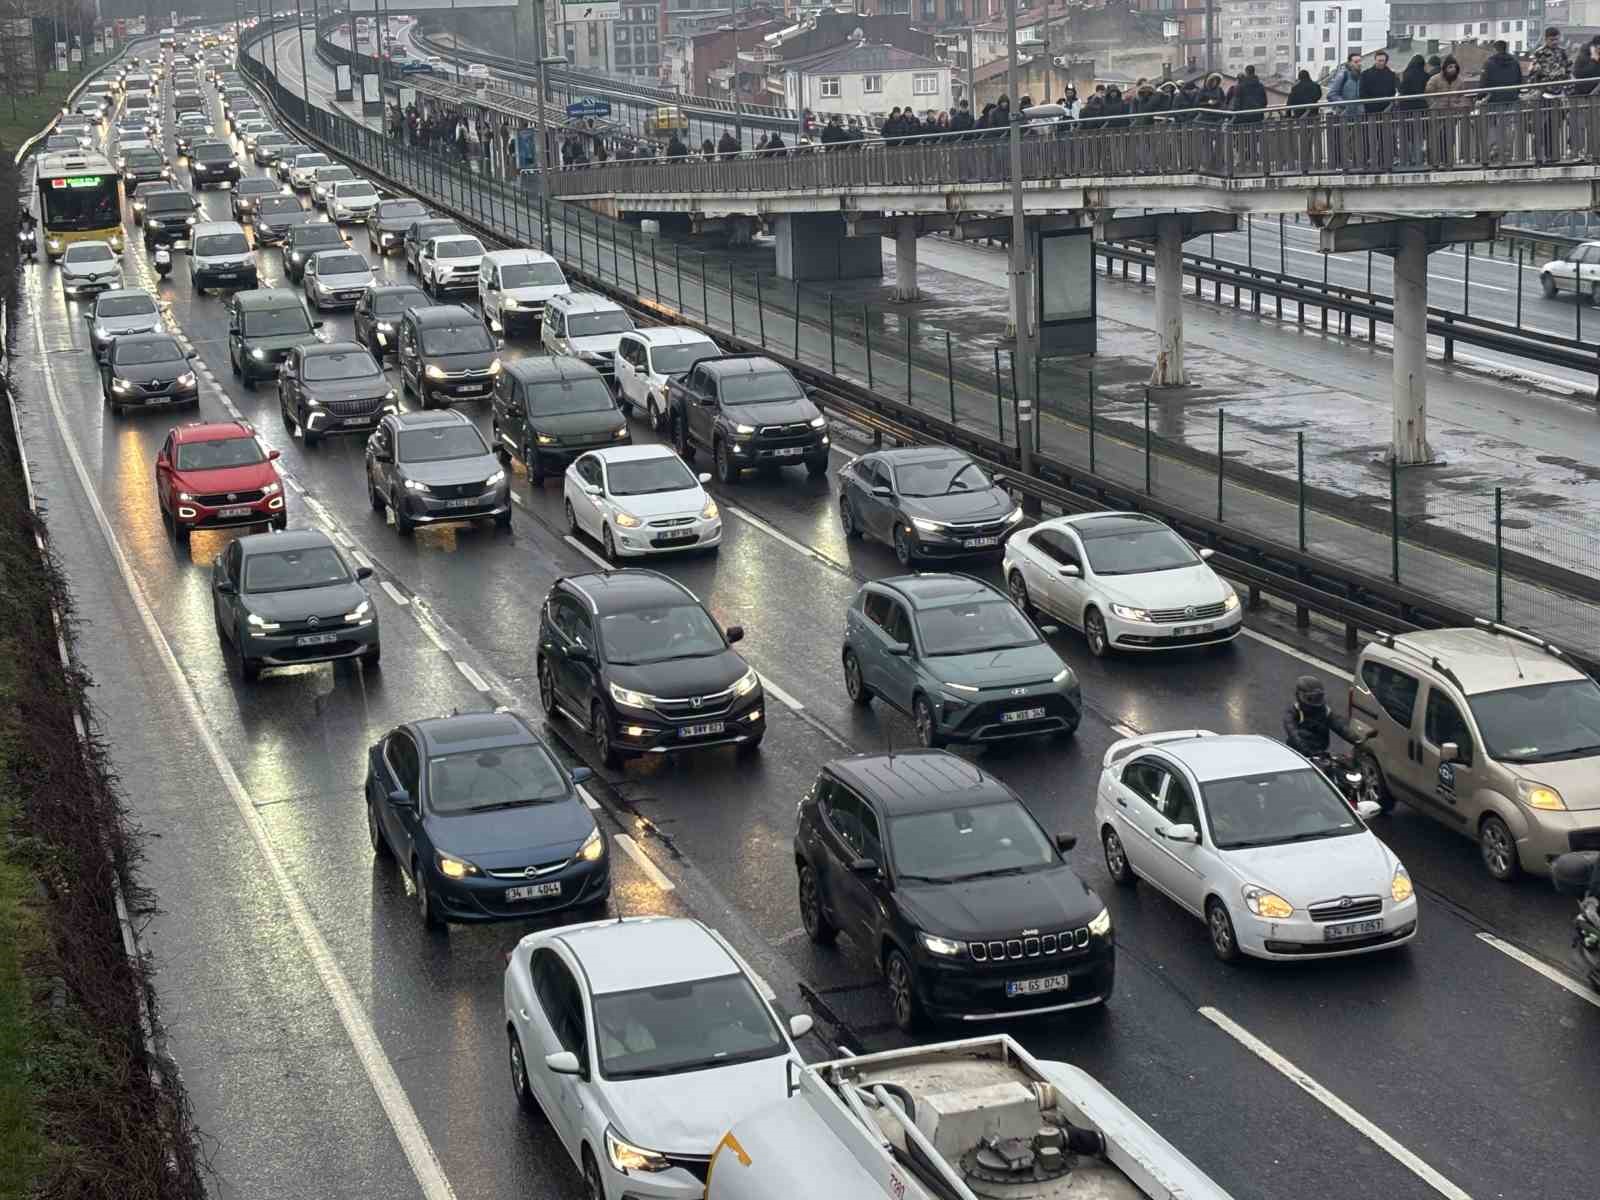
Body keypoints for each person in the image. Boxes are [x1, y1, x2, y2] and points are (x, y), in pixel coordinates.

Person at [1282, 676, 1359, 758]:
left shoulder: (1325, 711)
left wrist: (1358, 741)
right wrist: (1306, 750)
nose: (1315, 701)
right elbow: (1293, 733)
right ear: (1299, 695)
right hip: (1297, 754)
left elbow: (1340, 727)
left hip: (1319, 753)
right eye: (1310, 698)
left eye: (1318, 697)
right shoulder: (1294, 712)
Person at [1528, 25, 1572, 162]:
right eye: (1552, 40)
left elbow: (1568, 71)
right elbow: (1532, 75)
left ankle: (1553, 155)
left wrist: (1568, 87)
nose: (1555, 42)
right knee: (1543, 127)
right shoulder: (1539, 53)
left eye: (1557, 39)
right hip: (1545, 94)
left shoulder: (1562, 52)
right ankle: (1543, 154)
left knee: (1556, 126)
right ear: (1546, 39)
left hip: (1559, 94)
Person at [1479, 40, 1524, 164]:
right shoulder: (1515, 62)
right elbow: (1520, 80)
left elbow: (1484, 82)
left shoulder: (1489, 63)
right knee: (1508, 125)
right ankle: (1507, 150)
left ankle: (1494, 149)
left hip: (1494, 100)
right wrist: (1515, 93)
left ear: (1495, 49)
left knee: (1493, 125)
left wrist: (1480, 97)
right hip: (1511, 98)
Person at [1426, 55, 1473, 163]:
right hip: (1437, 113)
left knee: (1449, 137)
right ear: (1445, 68)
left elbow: (1462, 96)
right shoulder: (1435, 79)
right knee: (1436, 137)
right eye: (1450, 67)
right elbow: (1428, 94)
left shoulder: (1459, 81)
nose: (1452, 69)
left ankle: (1447, 159)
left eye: (1454, 67)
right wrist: (1434, 105)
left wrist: (1459, 105)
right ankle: (1434, 160)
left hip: (1452, 113)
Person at [1395, 54, 1430, 166]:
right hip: (1421, 108)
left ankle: (1408, 159)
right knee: (1419, 135)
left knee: (1407, 135)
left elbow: (1402, 89)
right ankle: (1419, 159)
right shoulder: (1425, 76)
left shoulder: (1406, 74)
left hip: (1406, 109)